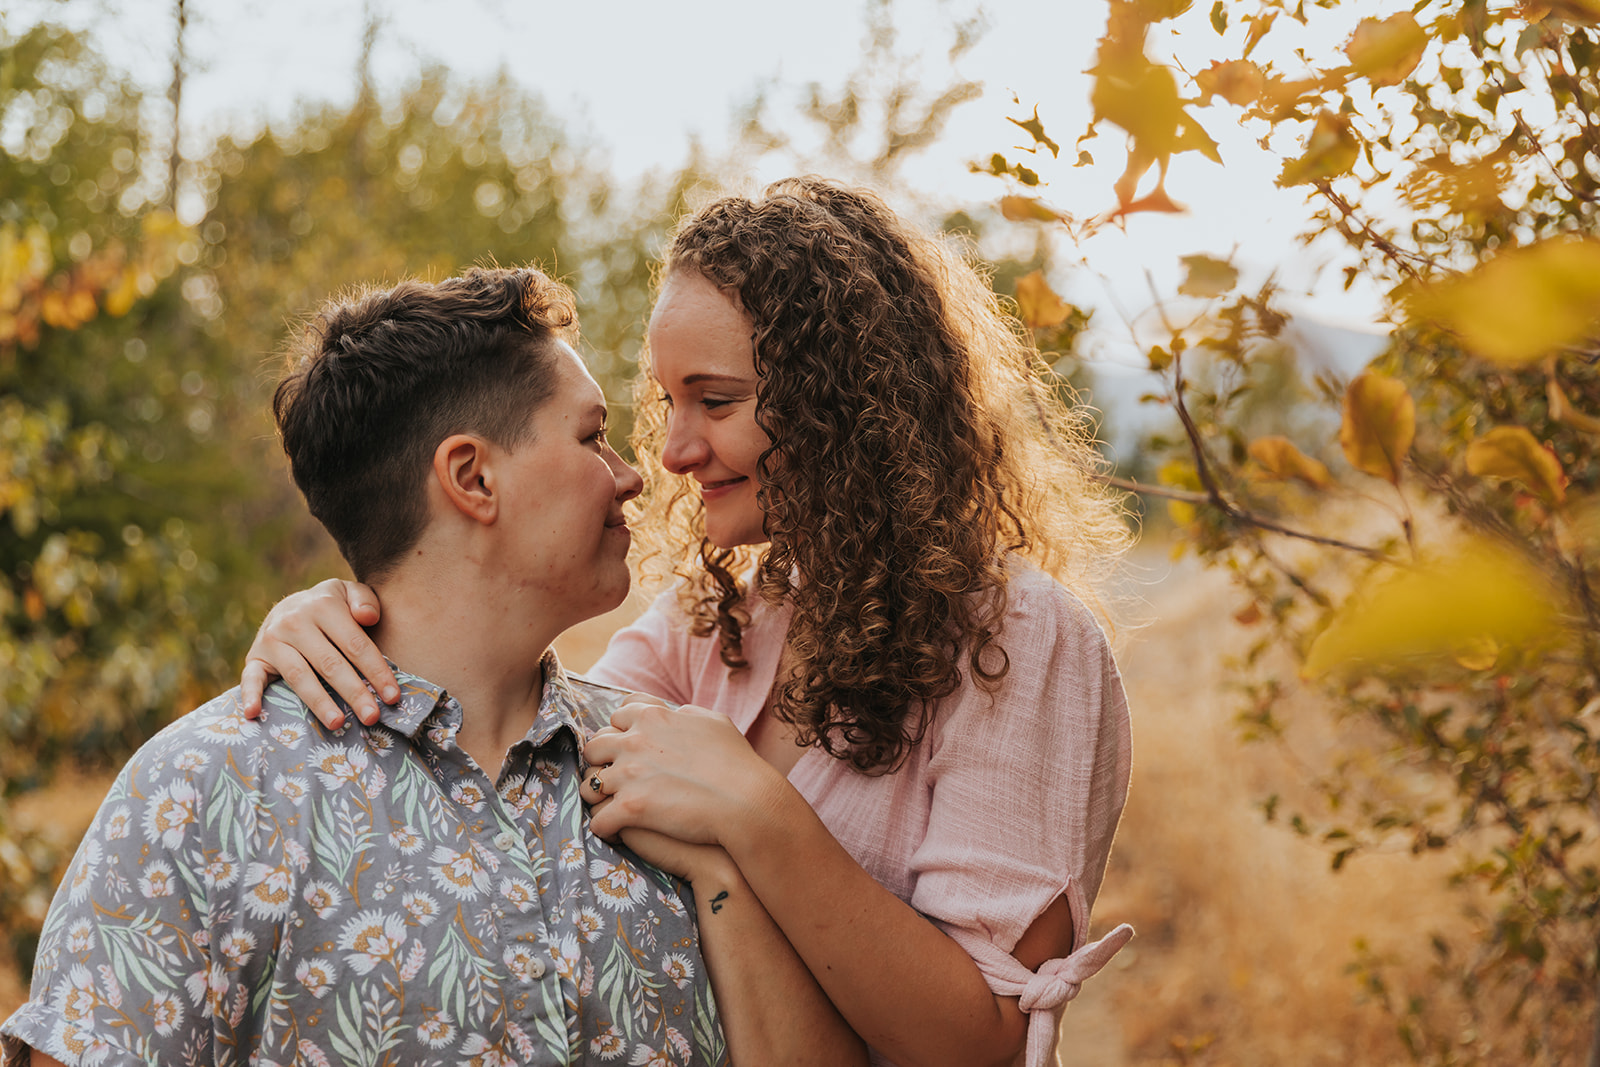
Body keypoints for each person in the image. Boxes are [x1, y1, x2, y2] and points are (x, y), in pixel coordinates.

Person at [240, 178, 1135, 1067]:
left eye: (716, 401)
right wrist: (354, 613)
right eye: (670, 401)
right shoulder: (718, 624)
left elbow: (984, 1042)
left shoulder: (1015, 638)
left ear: (844, 401)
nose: (671, 450)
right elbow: (534, 731)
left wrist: (757, 813)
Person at [1, 266, 863, 1067]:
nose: (634, 475)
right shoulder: (203, 794)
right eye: (592, 437)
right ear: (472, 477)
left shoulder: (669, 770)